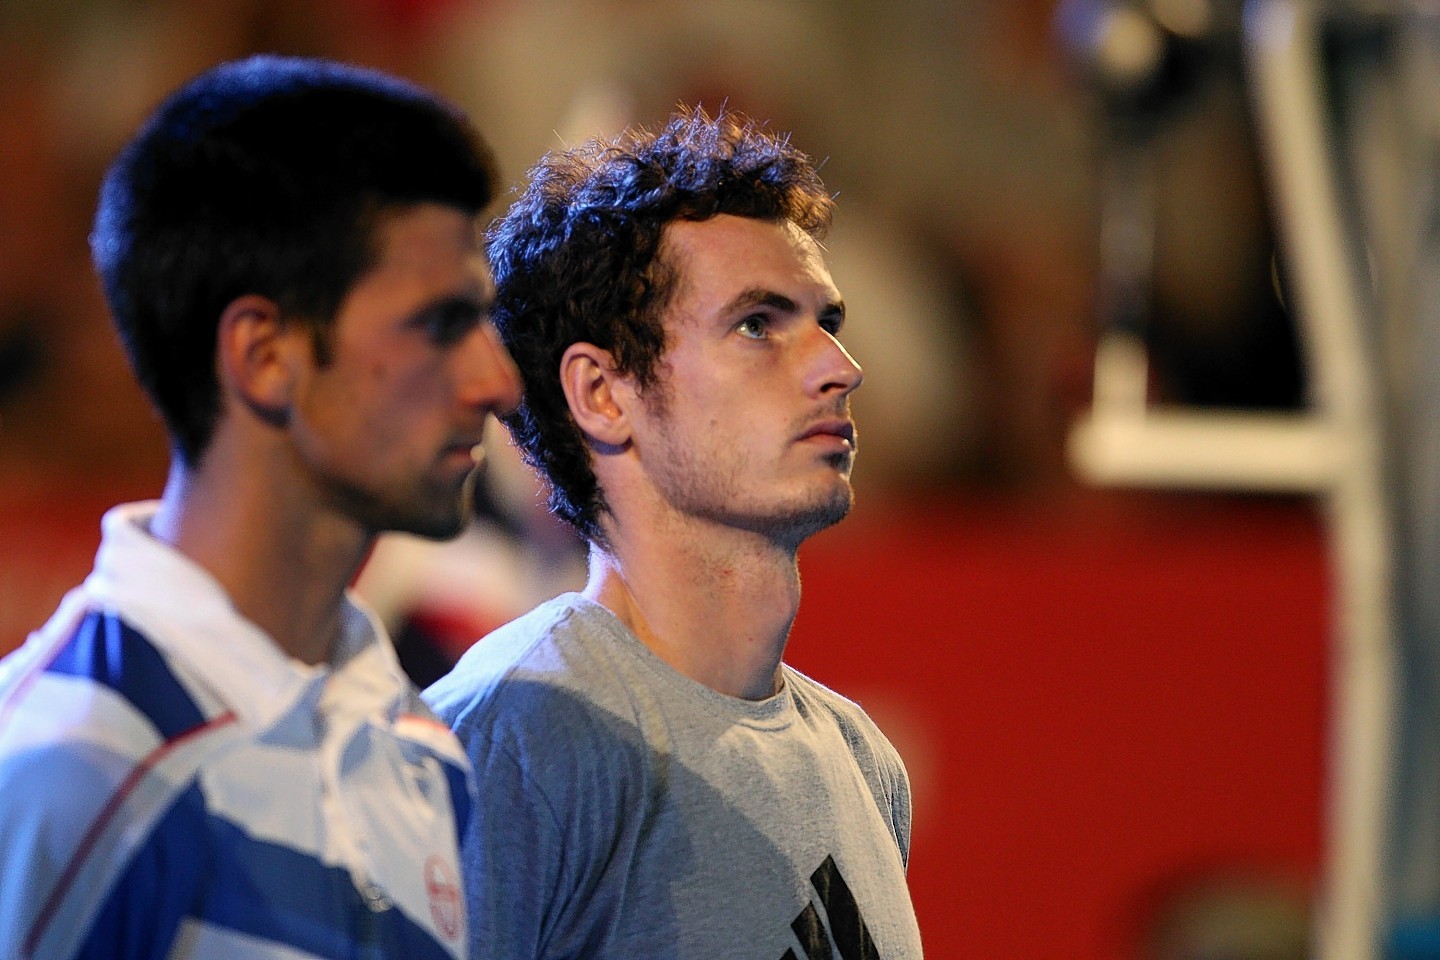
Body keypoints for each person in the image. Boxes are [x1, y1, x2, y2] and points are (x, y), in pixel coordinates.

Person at [0, 54, 521, 959]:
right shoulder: (64, 767)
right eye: (440, 324)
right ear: (264, 354)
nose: (496, 380)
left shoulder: (423, 750)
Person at [424, 105, 924, 960]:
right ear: (603, 395)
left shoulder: (864, 762)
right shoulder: (516, 734)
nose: (840, 369)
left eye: (826, 323)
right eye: (757, 325)